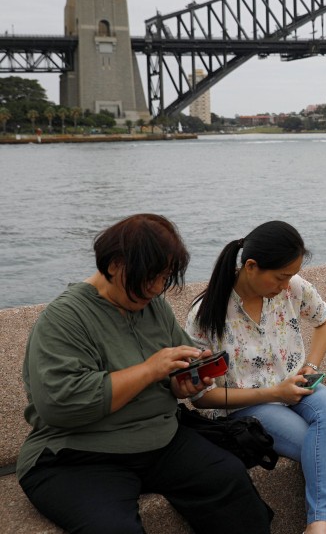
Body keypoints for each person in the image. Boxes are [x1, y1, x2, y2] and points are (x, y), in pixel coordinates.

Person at [18, 214, 272, 534]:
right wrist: (150, 369)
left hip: (159, 439)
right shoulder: (64, 318)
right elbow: (61, 403)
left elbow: (175, 374)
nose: (156, 287)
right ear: (114, 265)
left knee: (230, 481)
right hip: (78, 454)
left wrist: (183, 383)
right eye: (148, 276)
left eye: (164, 277)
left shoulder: (154, 307)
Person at [186, 221, 326, 534]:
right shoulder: (206, 315)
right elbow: (201, 398)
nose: (287, 285)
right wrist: (275, 394)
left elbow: (325, 321)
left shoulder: (293, 288)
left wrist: (310, 367)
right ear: (251, 266)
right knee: (322, 453)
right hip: (248, 404)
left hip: (295, 385)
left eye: (290, 276)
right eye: (281, 276)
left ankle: (318, 525)